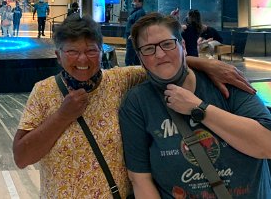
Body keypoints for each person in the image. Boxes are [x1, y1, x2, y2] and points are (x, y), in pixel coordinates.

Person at [13, 16, 254, 198]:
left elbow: (161, 63)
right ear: (58, 55)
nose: (83, 59)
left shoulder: (121, 80)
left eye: (91, 51)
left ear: (102, 52)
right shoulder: (43, 91)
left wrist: (204, 64)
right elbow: (22, 157)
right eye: (72, 52)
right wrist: (62, 116)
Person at [119, 13, 271, 198]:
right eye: (149, 49)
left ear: (183, 46)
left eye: (167, 44)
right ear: (140, 57)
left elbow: (267, 144)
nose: (159, 54)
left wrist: (199, 108)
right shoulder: (138, 102)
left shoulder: (226, 83)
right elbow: (140, 179)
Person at [124, 0, 146, 65]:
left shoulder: (140, 13)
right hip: (131, 36)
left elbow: (138, 25)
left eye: (135, 1)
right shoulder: (135, 12)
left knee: (129, 56)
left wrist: (133, 34)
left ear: (140, 3)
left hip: (133, 37)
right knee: (135, 57)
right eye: (133, 1)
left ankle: (128, 70)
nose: (133, 3)